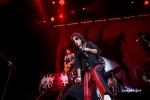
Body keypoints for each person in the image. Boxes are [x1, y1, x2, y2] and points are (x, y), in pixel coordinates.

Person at [70, 32, 114, 100]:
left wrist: (88, 49)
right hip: (87, 71)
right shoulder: (76, 52)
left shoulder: (88, 43)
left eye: (77, 39)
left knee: (95, 72)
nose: (76, 41)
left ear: (80, 38)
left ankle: (106, 94)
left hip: (97, 66)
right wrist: (78, 76)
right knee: (87, 93)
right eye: (74, 40)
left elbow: (98, 51)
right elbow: (77, 65)